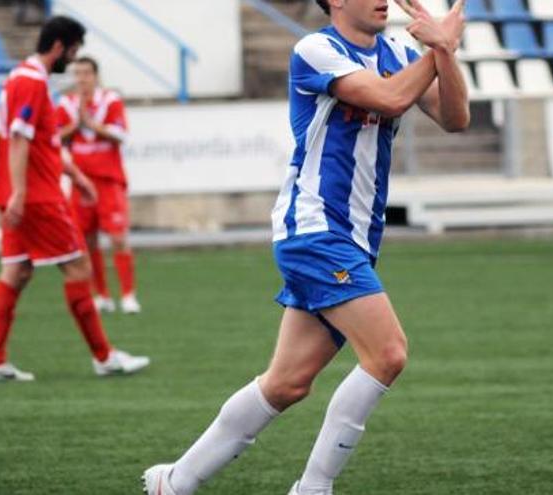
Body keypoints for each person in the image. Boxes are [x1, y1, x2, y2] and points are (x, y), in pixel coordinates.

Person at [142, 0, 469, 493]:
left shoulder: (399, 51)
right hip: (315, 230)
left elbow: (456, 118)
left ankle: (176, 481)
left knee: (286, 383)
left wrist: (445, 53)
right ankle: (313, 489)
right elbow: (388, 99)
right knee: (388, 355)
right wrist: (437, 46)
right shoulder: (316, 49)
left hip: (353, 237)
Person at [0, 15, 150, 382]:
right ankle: (105, 357)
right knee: (79, 268)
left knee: (16, 271)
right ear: (59, 46)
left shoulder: (18, 77)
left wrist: (74, 176)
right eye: (72, 52)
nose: (71, 62)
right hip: (36, 196)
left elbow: (43, 143)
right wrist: (22, 193)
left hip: (16, 192)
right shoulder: (32, 82)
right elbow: (20, 138)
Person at [55, 56, 140, 314]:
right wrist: (76, 125)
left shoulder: (110, 101)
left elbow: (121, 135)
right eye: (77, 74)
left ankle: (128, 295)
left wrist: (91, 125)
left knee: (117, 238)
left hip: (107, 180)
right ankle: (101, 295)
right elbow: (55, 137)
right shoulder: (66, 104)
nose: (81, 79)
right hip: (80, 182)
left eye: (86, 73)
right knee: (87, 241)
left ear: (96, 75)